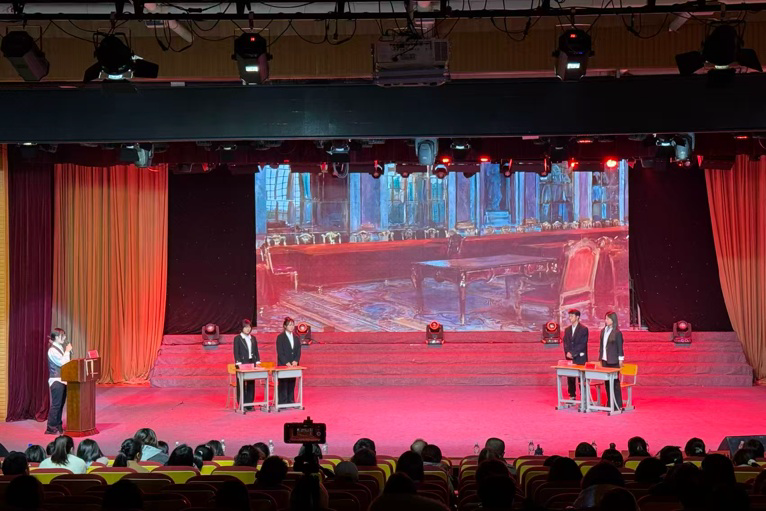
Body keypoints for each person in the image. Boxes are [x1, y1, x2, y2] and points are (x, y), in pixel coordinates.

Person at [46, 328, 72, 435]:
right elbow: (63, 363)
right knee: (56, 405)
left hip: (63, 380)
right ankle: (51, 427)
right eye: (62, 336)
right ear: (56, 337)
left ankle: (58, 424)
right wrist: (67, 351)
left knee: (60, 404)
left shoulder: (60, 347)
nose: (64, 338)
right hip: (56, 380)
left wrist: (67, 351)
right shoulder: (52, 350)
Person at [233, 319, 260, 410]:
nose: (248, 329)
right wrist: (239, 363)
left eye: (249, 327)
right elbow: (236, 352)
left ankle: (250, 404)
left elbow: (256, 351)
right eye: (246, 327)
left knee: (251, 383)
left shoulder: (253, 338)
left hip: (251, 362)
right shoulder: (237, 338)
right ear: (242, 328)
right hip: (242, 363)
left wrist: (257, 362)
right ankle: (241, 404)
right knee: (241, 384)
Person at [599, 311, 624, 411]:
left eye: (608, 319)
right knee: (607, 383)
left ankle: (617, 405)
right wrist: (600, 357)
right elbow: (601, 346)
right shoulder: (603, 331)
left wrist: (621, 360)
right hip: (605, 360)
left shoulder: (617, 333)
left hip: (614, 361)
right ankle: (610, 403)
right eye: (605, 318)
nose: (606, 320)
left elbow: (620, 347)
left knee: (615, 383)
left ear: (613, 320)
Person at [562, 308, 589, 400]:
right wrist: (567, 352)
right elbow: (565, 342)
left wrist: (573, 353)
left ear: (577, 317)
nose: (570, 318)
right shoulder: (567, 330)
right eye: (569, 316)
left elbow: (582, 344)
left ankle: (584, 397)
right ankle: (572, 396)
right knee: (570, 377)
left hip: (580, 357)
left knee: (582, 378)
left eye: (572, 316)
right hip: (570, 358)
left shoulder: (584, 329)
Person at [276, 316, 301, 404]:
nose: (291, 327)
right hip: (284, 364)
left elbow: (298, 350)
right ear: (285, 326)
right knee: (283, 383)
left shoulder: (296, 337)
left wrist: (296, 360)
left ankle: (290, 400)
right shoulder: (280, 337)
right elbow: (280, 352)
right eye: (289, 325)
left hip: (293, 364)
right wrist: (286, 362)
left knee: (291, 382)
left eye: (292, 325)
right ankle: (282, 402)